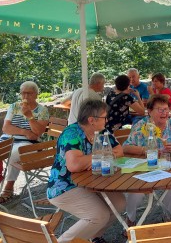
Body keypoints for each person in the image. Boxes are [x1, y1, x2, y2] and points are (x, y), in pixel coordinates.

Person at [47, 100, 125, 243]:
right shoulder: (71, 134)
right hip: (65, 186)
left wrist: (92, 159)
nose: (107, 120)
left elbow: (119, 150)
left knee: (118, 203)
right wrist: (101, 156)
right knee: (98, 215)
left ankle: (94, 237)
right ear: (92, 120)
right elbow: (75, 165)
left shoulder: (101, 131)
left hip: (93, 182)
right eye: (104, 117)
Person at [122, 95, 171, 224]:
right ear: (150, 111)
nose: (165, 113)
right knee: (136, 192)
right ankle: (130, 220)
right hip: (142, 168)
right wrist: (145, 150)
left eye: (166, 109)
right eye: (160, 110)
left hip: (165, 166)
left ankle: (167, 217)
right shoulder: (141, 125)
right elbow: (125, 148)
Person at [0, 81, 49, 204]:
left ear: (36, 94)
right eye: (23, 93)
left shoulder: (42, 110)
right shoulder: (14, 106)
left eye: (29, 93)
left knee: (15, 153)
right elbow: (6, 128)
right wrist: (25, 131)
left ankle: (8, 187)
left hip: (30, 144)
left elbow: (38, 133)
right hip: (9, 139)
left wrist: (29, 116)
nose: (25, 97)